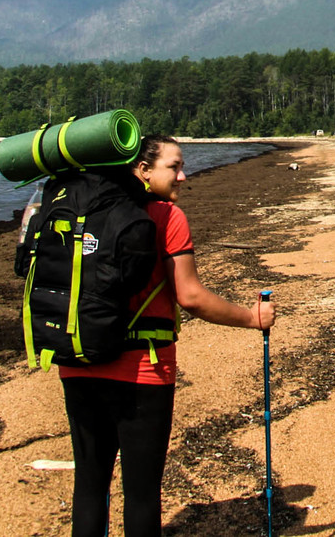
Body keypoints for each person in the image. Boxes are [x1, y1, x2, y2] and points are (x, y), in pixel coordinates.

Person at [58, 133, 275, 537]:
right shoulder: (166, 217)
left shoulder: (74, 211)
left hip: (77, 361)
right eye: (173, 166)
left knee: (89, 485)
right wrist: (252, 318)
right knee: (140, 493)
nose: (183, 176)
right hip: (142, 370)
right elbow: (190, 297)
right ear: (142, 170)